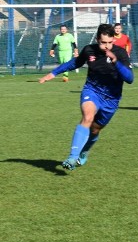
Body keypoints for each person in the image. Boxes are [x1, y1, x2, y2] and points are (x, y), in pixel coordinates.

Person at [38, 23, 133, 170]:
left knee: (95, 130)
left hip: (111, 99)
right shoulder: (89, 50)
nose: (106, 46)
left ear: (113, 40)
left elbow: (130, 79)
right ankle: (72, 156)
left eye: (109, 42)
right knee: (87, 117)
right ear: (97, 39)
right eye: (103, 43)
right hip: (92, 90)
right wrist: (53, 73)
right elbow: (75, 63)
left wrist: (116, 62)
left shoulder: (120, 54)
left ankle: (85, 150)